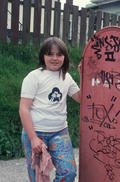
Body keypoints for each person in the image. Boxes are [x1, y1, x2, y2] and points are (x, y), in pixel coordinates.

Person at [19, 37, 81, 182]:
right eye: (50, 54)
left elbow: (81, 99)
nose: (55, 58)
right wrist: (33, 138)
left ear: (64, 57)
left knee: (68, 173)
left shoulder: (66, 77)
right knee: (38, 177)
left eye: (59, 55)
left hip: (59, 132)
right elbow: (24, 109)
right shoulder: (33, 77)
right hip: (36, 133)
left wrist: (83, 74)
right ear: (43, 56)